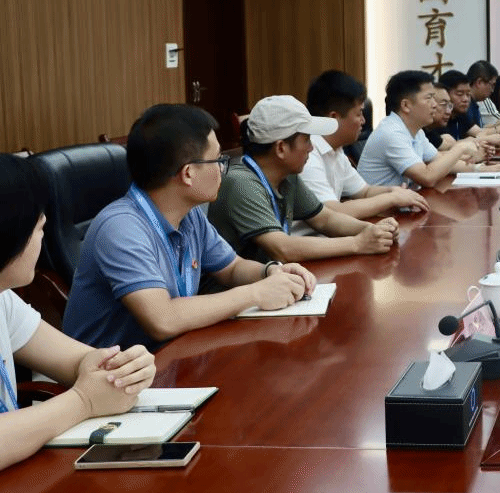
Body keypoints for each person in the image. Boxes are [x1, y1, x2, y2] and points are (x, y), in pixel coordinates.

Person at [63, 105, 315, 349]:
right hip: (114, 371)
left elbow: (232, 268)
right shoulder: (121, 228)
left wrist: (271, 272)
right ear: (188, 173)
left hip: (173, 353)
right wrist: (255, 294)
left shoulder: (190, 215)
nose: (222, 168)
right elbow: (162, 319)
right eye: (217, 159)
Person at [0, 154, 157, 471]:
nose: (42, 236)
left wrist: (121, 368)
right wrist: (83, 401)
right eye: (39, 227)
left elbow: (75, 359)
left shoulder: (4, 299)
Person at [207, 95, 399, 263]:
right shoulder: (241, 183)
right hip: (236, 290)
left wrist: (373, 230)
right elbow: (282, 249)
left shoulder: (287, 176)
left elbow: (325, 219)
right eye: (306, 139)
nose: (311, 148)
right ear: (281, 148)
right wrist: (357, 243)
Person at [301, 70, 430, 227]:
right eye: (359, 114)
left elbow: (364, 192)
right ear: (334, 117)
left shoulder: (336, 150)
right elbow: (332, 212)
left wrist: (394, 191)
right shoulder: (308, 153)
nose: (363, 121)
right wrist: (392, 199)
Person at [358, 70, 500, 189]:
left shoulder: (416, 130)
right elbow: (427, 177)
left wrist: (482, 170)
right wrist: (461, 148)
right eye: (429, 98)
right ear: (406, 105)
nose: (434, 105)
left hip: (402, 205)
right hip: (380, 212)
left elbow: (440, 160)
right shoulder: (391, 133)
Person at [439, 69, 500, 144]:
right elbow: (448, 145)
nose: (465, 99)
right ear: (445, 94)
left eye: (468, 94)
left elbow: (480, 133)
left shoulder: (460, 115)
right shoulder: (439, 119)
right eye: (460, 94)